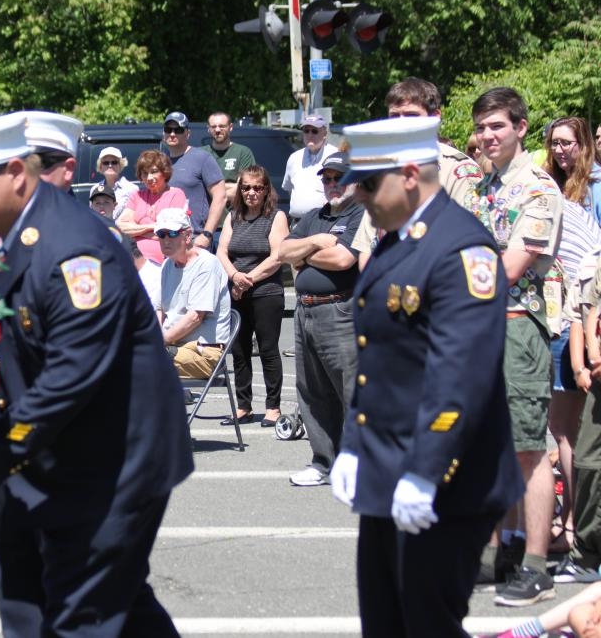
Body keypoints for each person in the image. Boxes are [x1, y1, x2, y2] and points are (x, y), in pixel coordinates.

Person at [0, 111, 192, 638]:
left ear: (17, 176)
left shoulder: (74, 250)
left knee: (78, 616)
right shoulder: (3, 236)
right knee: (87, 609)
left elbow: (69, 375)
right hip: (48, 456)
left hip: (109, 464)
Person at [328, 115, 523, 638]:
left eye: (370, 183)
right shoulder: (398, 240)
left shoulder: (462, 250)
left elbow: (461, 375)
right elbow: (378, 364)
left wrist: (426, 472)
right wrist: (353, 445)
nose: (360, 196)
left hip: (446, 479)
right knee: (386, 624)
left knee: (428, 625)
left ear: (410, 174)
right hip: (388, 469)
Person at [461, 87, 563, 607]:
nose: (486, 136)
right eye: (480, 128)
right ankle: (494, 555)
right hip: (473, 330)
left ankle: (537, 565)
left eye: (496, 126)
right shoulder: (476, 186)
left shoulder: (539, 190)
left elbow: (511, 268)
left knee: (526, 450)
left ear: (521, 128)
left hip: (516, 326)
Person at [280, 151, 364, 487]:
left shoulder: (362, 214)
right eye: (327, 179)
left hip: (341, 309)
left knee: (350, 391)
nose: (332, 184)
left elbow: (344, 258)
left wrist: (303, 254)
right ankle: (323, 461)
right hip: (305, 310)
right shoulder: (315, 217)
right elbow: (282, 252)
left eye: (339, 178)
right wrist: (315, 241)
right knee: (312, 391)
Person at [542, 116, 601, 554]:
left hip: (578, 320)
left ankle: (571, 523)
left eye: (569, 143)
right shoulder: (548, 188)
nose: (561, 151)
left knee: (567, 430)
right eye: (555, 143)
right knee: (562, 427)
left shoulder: (593, 190)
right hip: (552, 316)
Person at [352, 77, 484, 270]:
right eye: (394, 116)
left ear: (435, 117)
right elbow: (367, 247)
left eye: (412, 115)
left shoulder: (459, 170)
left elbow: (467, 242)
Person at [215, 165, 288, 427]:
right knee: (240, 351)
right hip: (236, 289)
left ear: (266, 189)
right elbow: (222, 251)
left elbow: (277, 256)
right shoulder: (233, 216)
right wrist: (235, 276)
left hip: (266, 291)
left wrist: (247, 280)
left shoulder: (276, 217)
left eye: (257, 187)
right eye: (246, 187)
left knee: (268, 350)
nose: (251, 193)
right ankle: (244, 406)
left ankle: (273, 407)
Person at [155, 207, 232, 379]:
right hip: (173, 346)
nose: (166, 239)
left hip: (203, 352)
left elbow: (195, 317)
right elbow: (159, 309)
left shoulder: (206, 265)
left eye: (172, 233)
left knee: (140, 359)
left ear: (188, 235)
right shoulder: (167, 265)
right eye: (161, 234)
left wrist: (159, 341)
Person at [162, 111, 225, 249]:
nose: (172, 134)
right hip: (165, 238)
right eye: (168, 129)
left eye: (178, 130)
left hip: (195, 239)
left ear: (187, 134)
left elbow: (220, 196)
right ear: (163, 133)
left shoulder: (202, 158)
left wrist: (207, 234)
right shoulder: (161, 162)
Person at [116, 150, 188, 264]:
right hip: (134, 261)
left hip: (164, 262)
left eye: (154, 171)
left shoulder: (176, 194)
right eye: (145, 173)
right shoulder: (137, 196)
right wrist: (152, 227)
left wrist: (136, 231)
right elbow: (120, 227)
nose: (149, 177)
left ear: (164, 172)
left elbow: (172, 234)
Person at [544, 115, 601, 225]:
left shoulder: (596, 183)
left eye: (566, 143)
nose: (558, 150)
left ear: (583, 145)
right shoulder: (551, 178)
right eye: (555, 143)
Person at [282, 114, 338, 225]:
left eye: (314, 131)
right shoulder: (294, 158)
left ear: (325, 134)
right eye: (306, 131)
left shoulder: (335, 155)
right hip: (297, 224)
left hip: (325, 223)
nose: (310, 134)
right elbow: (289, 190)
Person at [202, 111, 257, 193]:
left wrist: (208, 186)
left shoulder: (243, 152)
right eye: (213, 126)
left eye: (222, 126)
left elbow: (244, 189)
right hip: (206, 206)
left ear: (230, 127)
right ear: (208, 129)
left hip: (232, 206)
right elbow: (194, 187)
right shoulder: (200, 153)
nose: (217, 130)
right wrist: (231, 185)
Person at [94, 146, 138, 218]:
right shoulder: (95, 189)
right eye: (106, 163)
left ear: (120, 165)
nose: (110, 165)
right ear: (100, 166)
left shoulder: (132, 189)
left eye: (114, 162)